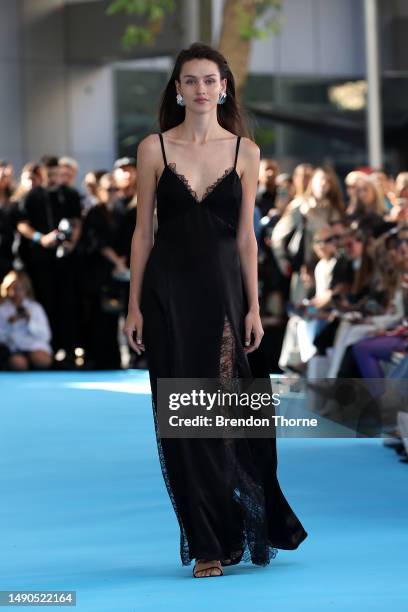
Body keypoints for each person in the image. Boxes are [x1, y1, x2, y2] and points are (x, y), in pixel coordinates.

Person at [124, 42, 307, 579]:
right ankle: (207, 542)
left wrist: (253, 306)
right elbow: (142, 233)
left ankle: (243, 521)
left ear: (223, 87)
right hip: (168, 296)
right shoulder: (153, 148)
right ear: (177, 91)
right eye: (190, 81)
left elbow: (248, 239)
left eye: (210, 80)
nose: (201, 89)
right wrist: (133, 304)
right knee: (182, 420)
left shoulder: (245, 152)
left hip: (227, 296)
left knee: (232, 417)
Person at [0, 270, 52, 370]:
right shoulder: (1, 309)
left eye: (21, 288)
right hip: (11, 349)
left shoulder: (35, 308)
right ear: (6, 288)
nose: (17, 292)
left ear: (26, 289)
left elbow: (46, 336)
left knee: (42, 360)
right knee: (18, 364)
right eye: (14, 288)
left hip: (33, 347)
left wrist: (30, 321)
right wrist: (9, 324)